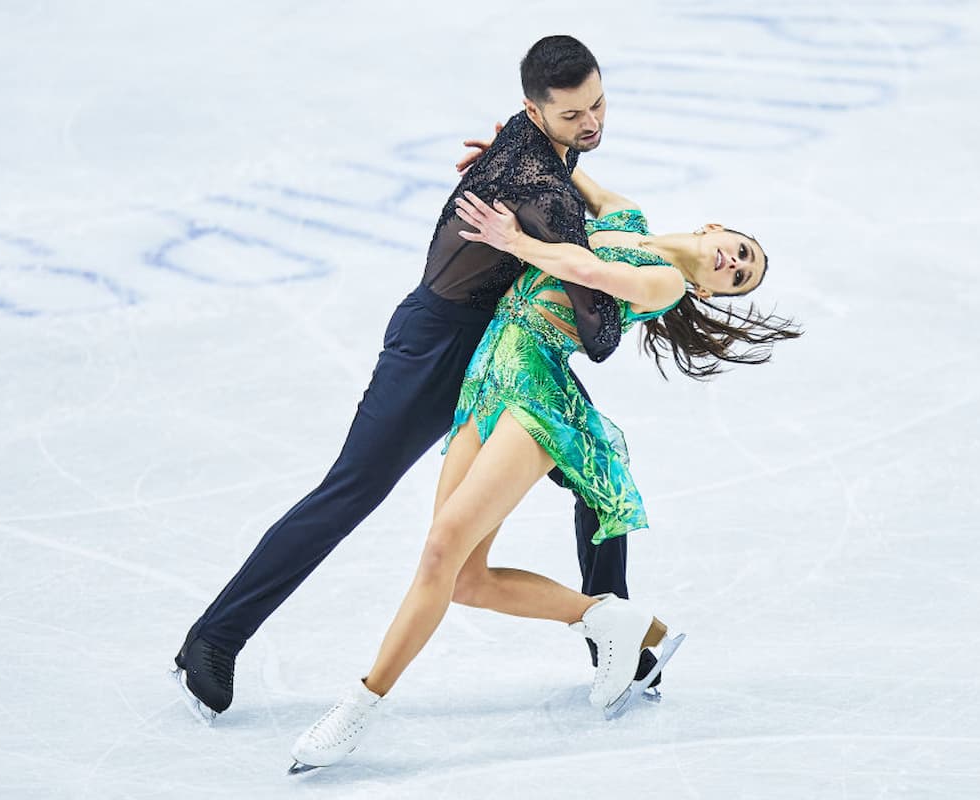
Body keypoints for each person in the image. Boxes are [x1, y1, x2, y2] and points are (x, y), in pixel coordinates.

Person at [171, 35, 664, 724]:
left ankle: (618, 642)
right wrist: (637, 276)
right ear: (533, 109)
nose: (591, 124)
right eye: (573, 116)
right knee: (352, 491)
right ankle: (213, 638)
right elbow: (602, 338)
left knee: (596, 471)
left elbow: (550, 182)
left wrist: (564, 196)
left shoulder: (539, 147)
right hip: (437, 348)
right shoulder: (542, 190)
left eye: (600, 104)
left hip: (508, 346)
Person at [287, 160, 801, 772]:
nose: (734, 263)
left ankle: (359, 706)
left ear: (715, 293)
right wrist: (520, 149)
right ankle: (610, 617)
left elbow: (583, 267)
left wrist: (514, 241)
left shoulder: (664, 283)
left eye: (741, 277)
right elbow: (590, 186)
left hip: (536, 395)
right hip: (486, 380)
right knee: (464, 579)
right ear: (716, 228)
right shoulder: (629, 219)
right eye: (740, 250)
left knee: (439, 551)